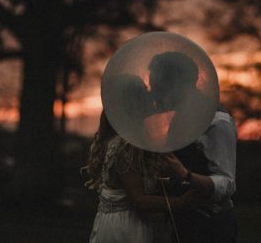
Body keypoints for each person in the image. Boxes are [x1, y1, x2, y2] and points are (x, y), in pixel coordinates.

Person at [149, 51, 238, 243]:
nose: (153, 94)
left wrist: (184, 174)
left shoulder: (217, 120)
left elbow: (227, 183)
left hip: (211, 228)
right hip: (183, 224)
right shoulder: (179, 118)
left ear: (181, 85)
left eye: (157, 87)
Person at [82, 111, 199, 243]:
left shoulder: (118, 142)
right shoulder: (126, 146)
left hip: (113, 222)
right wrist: (182, 202)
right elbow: (138, 200)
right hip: (126, 227)